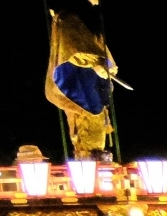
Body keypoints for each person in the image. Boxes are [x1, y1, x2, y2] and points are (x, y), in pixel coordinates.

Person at [45, 0, 116, 159]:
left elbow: (100, 49)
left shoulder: (88, 24)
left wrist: (107, 67)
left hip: (92, 86)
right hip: (77, 85)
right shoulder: (69, 19)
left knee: (95, 123)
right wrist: (96, 63)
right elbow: (73, 49)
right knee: (84, 125)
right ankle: (88, 159)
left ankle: (95, 156)